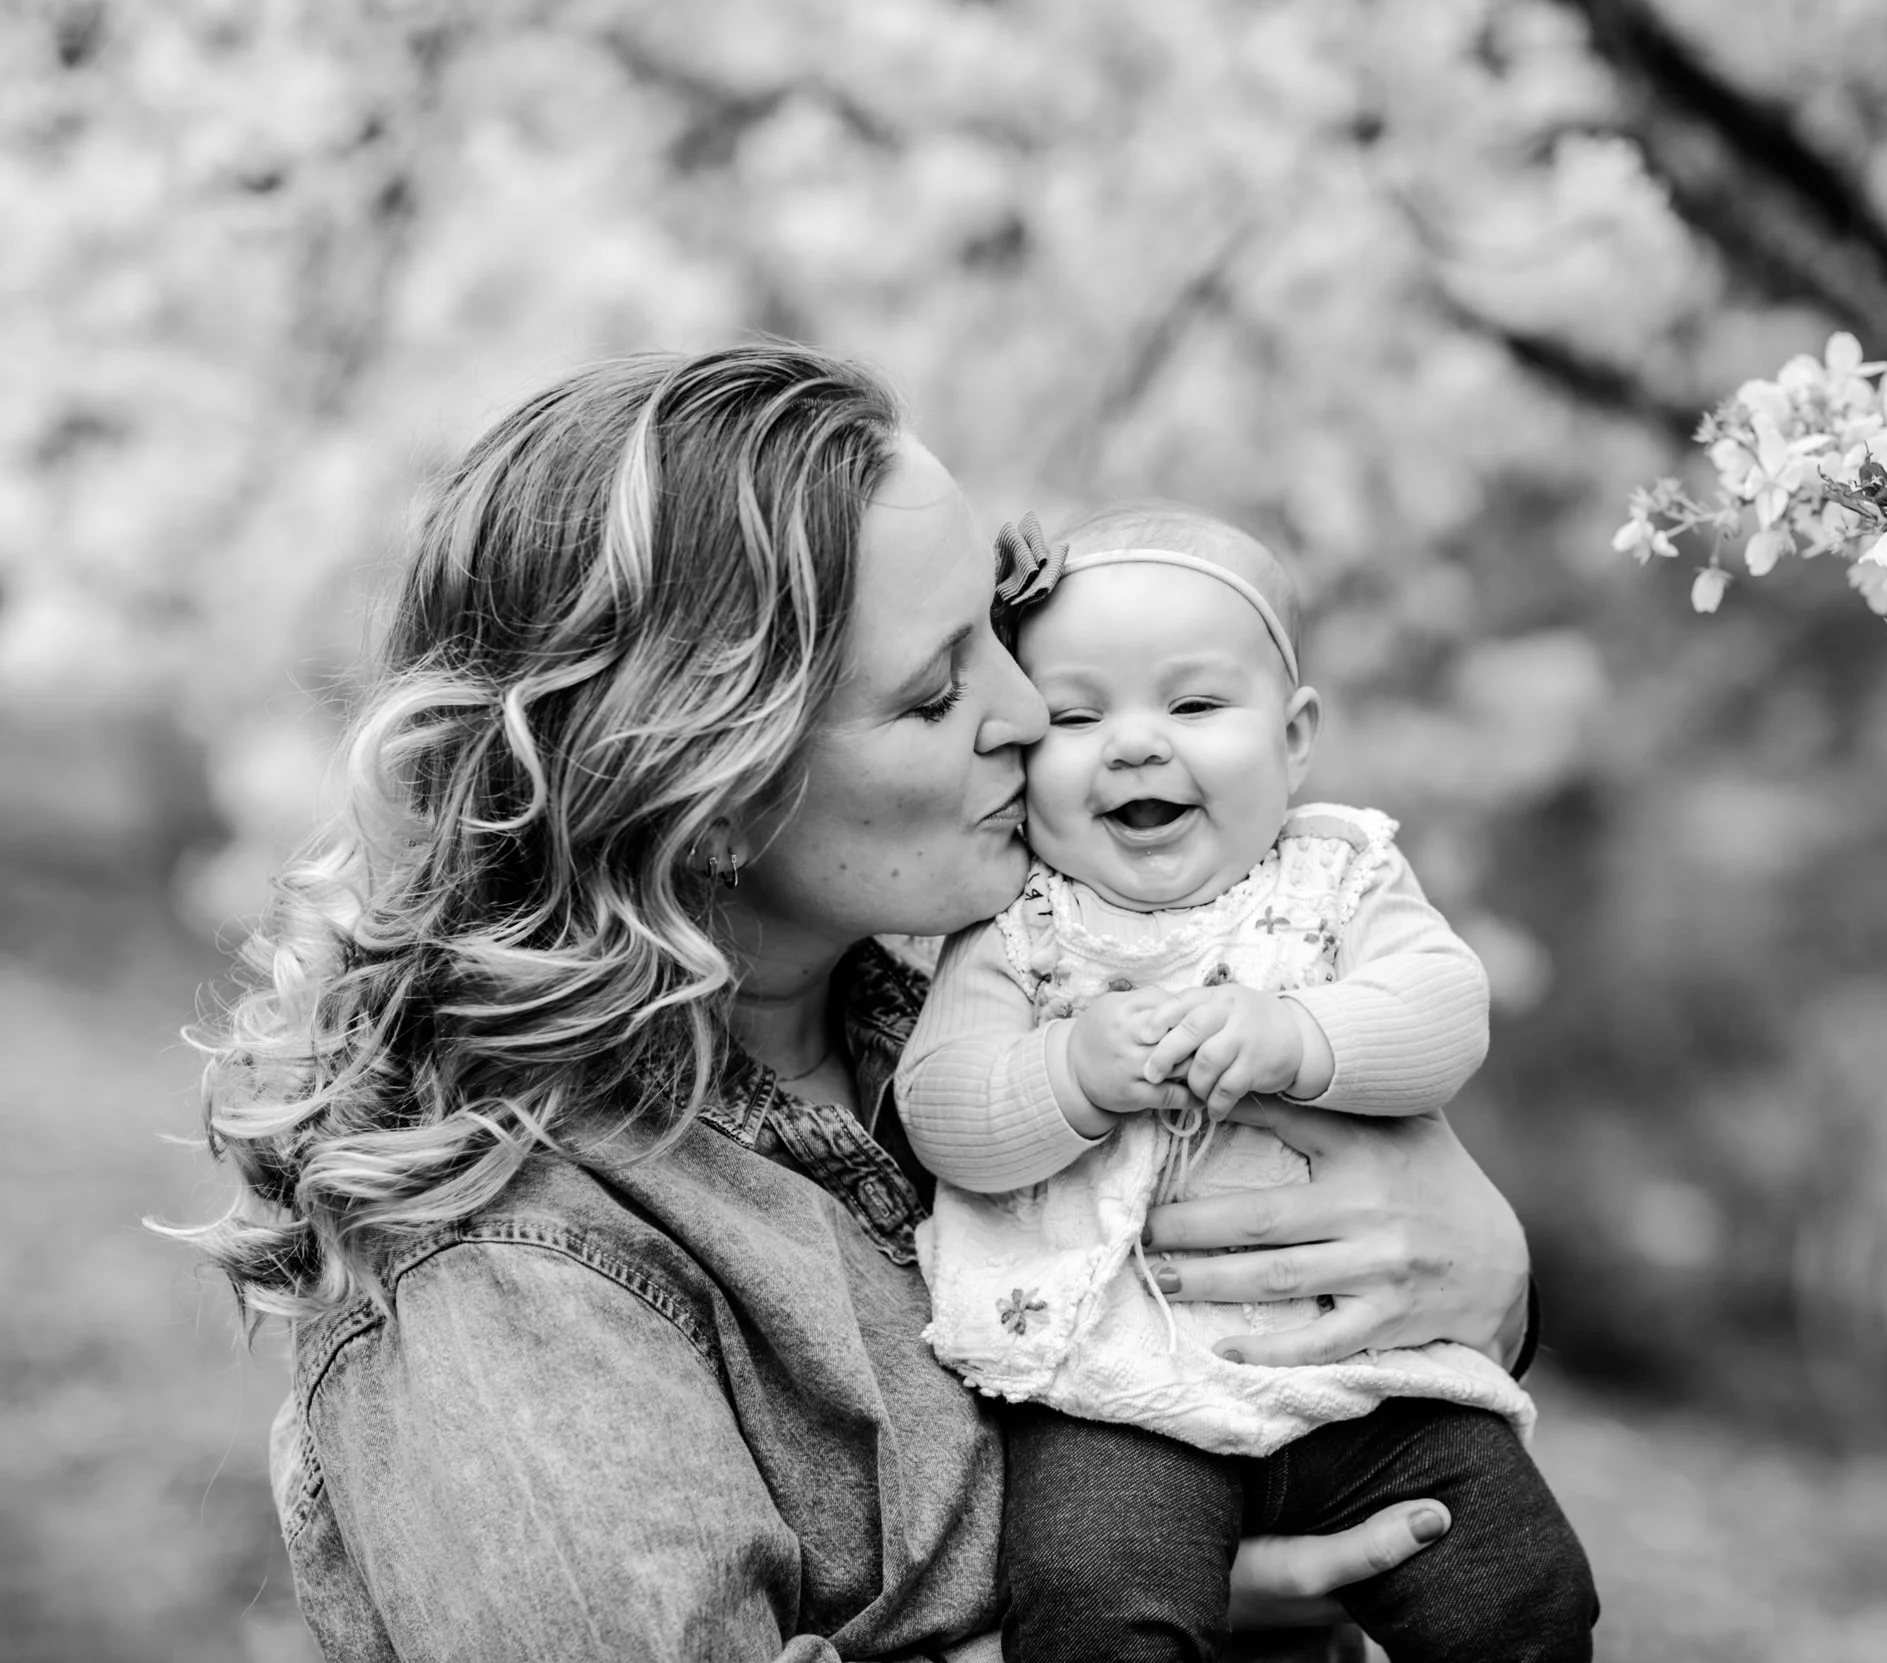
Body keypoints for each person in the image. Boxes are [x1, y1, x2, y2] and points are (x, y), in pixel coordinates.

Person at [164, 344, 1545, 1663]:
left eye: (1001, 630)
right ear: (705, 793)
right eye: (938, 689)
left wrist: (1483, 1275)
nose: (1027, 713)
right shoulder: (513, 1278)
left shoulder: (951, 1017)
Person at [895, 505, 1596, 1661]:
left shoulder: (1336, 878)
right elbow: (943, 1108)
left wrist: (1297, 1034)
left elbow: (1442, 1012)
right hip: (1114, 1394)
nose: (1132, 743)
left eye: (1193, 704)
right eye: (1074, 714)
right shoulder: (1016, 927)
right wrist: (1065, 1071)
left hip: (1368, 1383)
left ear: (1295, 735)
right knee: (1092, 1605)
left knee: (1521, 1587)